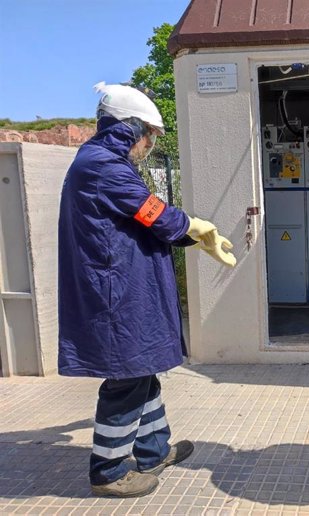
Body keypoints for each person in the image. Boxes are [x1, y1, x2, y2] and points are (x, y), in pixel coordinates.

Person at [58, 82, 236, 497]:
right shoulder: (104, 166)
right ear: (130, 128)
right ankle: (108, 470)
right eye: (151, 134)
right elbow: (151, 213)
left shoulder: (98, 160)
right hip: (115, 295)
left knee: (143, 372)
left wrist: (188, 231)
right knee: (127, 378)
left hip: (122, 286)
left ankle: (155, 451)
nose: (151, 143)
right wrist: (192, 227)